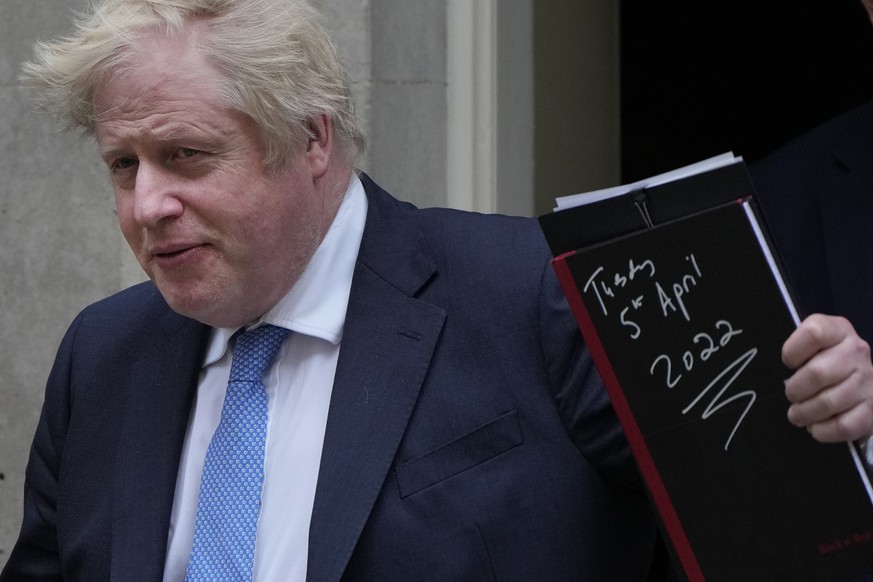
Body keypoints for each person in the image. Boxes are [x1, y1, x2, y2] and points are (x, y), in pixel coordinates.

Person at [2, 0, 871, 580]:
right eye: (123, 165)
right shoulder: (105, 353)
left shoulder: (533, 294)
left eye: (186, 155)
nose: (147, 204)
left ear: (311, 139)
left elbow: (774, 526)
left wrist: (839, 417)